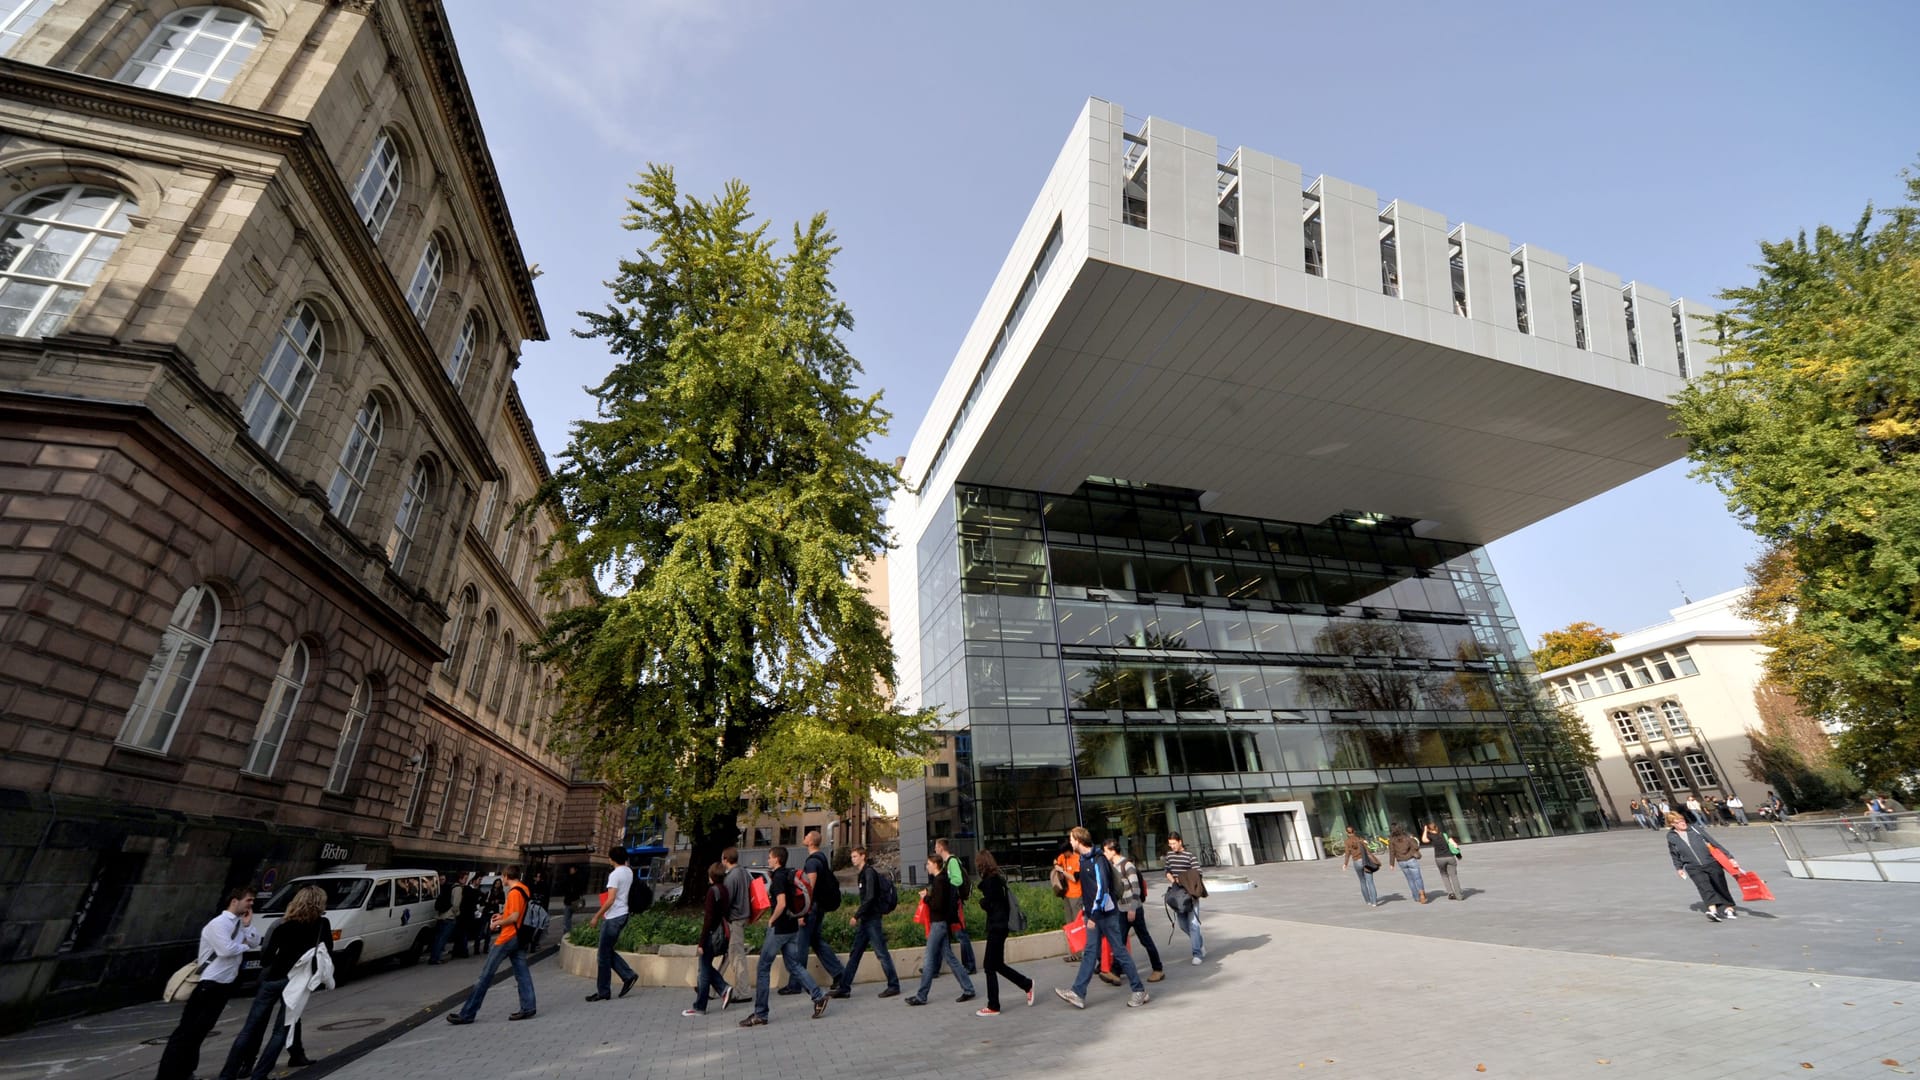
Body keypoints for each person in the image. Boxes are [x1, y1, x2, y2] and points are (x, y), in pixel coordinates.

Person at [226, 886, 332, 1080]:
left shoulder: (283, 925)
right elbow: (327, 951)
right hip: (296, 983)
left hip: (273, 979)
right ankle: (259, 1075)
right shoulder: (322, 924)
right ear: (319, 903)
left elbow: (265, 958)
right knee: (280, 1031)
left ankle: (228, 1074)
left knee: (249, 1029)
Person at [156, 886, 261, 1080]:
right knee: (187, 1031)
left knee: (200, 1032)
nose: (251, 904)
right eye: (249, 900)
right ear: (234, 901)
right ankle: (168, 1074)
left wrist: (247, 926)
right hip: (209, 983)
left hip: (224, 983)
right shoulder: (218, 924)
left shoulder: (239, 923)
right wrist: (244, 945)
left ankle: (186, 1071)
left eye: (252, 901)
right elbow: (226, 950)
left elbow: (255, 942)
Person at [1053, 827, 1147, 1010]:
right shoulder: (1084, 859)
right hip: (1094, 915)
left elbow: (1102, 890)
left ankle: (1139, 990)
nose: (1070, 842)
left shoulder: (1098, 860)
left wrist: (1093, 915)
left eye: (1072, 839)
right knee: (1089, 952)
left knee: (1119, 951)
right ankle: (1078, 993)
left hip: (1104, 915)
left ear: (1079, 840)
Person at [739, 846, 828, 1026]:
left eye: (770, 857)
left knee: (763, 967)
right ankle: (818, 996)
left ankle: (760, 1013)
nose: (769, 860)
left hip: (779, 928)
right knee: (794, 965)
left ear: (777, 859)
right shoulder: (788, 874)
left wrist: (771, 920)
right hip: (792, 927)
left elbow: (781, 903)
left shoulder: (779, 877)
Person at [445, 864, 537, 1024]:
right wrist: (501, 915)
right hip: (519, 937)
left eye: (503, 877)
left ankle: (467, 1013)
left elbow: (514, 916)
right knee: (522, 973)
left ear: (507, 876)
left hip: (508, 937)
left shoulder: (515, 893)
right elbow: (518, 913)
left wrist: (498, 922)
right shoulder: (524, 889)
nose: (502, 879)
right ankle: (528, 1006)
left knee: (485, 975)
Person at [905, 852, 975, 1006]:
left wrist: (925, 898)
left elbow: (937, 905)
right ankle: (968, 989)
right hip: (943, 923)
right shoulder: (943, 880)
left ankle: (921, 996)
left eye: (928, 864)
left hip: (938, 924)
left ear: (935, 865)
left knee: (929, 959)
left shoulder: (939, 881)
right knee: (950, 958)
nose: (926, 866)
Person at [781, 829, 845, 996]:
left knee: (801, 944)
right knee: (816, 941)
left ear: (811, 842)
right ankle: (839, 973)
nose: (804, 837)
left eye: (806, 836)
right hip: (820, 906)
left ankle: (795, 984)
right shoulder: (822, 858)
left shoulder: (812, 862)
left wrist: (802, 913)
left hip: (811, 908)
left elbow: (809, 888)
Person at [973, 850, 1033, 1016]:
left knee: (988, 966)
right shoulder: (998, 880)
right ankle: (1026, 984)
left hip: (996, 927)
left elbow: (991, 904)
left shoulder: (990, 883)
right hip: (1002, 926)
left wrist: (982, 902)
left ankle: (993, 1006)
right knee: (997, 964)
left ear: (981, 865)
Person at [836, 846, 900, 998]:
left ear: (863, 856)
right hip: (866, 920)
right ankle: (844, 988)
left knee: (881, 953)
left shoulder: (869, 873)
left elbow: (870, 897)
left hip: (872, 919)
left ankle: (894, 985)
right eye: (852, 857)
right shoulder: (863, 874)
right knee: (855, 953)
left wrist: (856, 916)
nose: (853, 859)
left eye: (855, 856)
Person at [1101, 838, 1163, 984]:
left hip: (1133, 909)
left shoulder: (1127, 865)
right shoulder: (1112, 866)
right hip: (1121, 909)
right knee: (1119, 941)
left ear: (1112, 850)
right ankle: (1115, 972)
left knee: (1145, 939)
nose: (1104, 854)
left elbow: (1136, 888)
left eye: (1105, 851)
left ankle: (1158, 969)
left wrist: (1133, 908)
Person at [584, 846, 639, 1001]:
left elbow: (611, 899)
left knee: (602, 955)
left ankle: (604, 991)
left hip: (614, 916)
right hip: (624, 913)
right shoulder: (628, 872)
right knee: (606, 951)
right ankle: (627, 976)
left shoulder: (615, 875)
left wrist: (596, 916)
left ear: (612, 859)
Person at [1666, 810, 1741, 923]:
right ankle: (1713, 911)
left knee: (1720, 886)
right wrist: (1679, 868)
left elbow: (1713, 842)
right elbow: (1674, 853)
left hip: (1711, 862)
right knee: (1705, 888)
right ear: (1672, 824)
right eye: (1678, 821)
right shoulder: (1671, 836)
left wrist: (1729, 857)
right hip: (1693, 867)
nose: (1682, 823)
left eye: (1682, 820)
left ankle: (1728, 908)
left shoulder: (1695, 829)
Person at [683, 862, 732, 1016]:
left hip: (711, 935)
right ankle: (723, 989)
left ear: (712, 876)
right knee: (705, 968)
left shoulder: (712, 891)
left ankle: (700, 1006)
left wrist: (701, 942)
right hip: (721, 934)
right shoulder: (724, 890)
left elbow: (708, 918)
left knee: (704, 970)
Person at [933, 837, 977, 975]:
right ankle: (934, 968)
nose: (935, 849)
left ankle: (970, 965)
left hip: (954, 905)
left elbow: (957, 880)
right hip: (950, 904)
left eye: (936, 846)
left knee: (960, 934)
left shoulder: (951, 862)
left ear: (941, 848)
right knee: (943, 936)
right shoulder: (948, 863)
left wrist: (946, 887)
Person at [1163, 832, 1205, 963]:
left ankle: (1197, 954)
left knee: (1193, 924)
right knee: (1182, 924)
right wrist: (1173, 881)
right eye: (1170, 844)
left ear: (1180, 841)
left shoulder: (1189, 856)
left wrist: (1183, 879)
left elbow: (1198, 872)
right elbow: (1167, 871)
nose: (1172, 847)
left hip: (1190, 894)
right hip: (1177, 895)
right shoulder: (1169, 856)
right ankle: (1199, 942)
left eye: (1174, 843)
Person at [720, 848, 754, 994]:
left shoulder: (731, 878)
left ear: (725, 859)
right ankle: (713, 986)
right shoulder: (744, 873)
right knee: (731, 953)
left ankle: (743, 991)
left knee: (736, 955)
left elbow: (726, 901)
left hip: (735, 919)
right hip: (744, 916)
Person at [1050, 843, 1083, 963]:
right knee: (1069, 924)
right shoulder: (1062, 857)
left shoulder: (1077, 859)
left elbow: (1075, 878)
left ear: (1070, 851)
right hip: (1066, 895)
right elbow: (1056, 861)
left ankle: (1079, 953)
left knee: (1076, 924)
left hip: (1076, 895)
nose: (1064, 855)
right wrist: (1056, 865)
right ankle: (1073, 953)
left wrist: (1062, 871)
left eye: (1066, 853)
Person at [1421, 821, 1464, 900]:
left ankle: (1450, 893)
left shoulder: (1430, 836)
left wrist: (1425, 830)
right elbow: (1455, 845)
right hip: (1450, 857)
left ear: (1429, 830)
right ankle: (1459, 895)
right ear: (1436, 827)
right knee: (1454, 876)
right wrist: (1458, 853)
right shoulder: (1444, 834)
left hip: (1439, 858)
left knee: (1444, 875)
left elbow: (1424, 840)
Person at [429, 871, 465, 964]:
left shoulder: (449, 886)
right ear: (460, 879)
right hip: (449, 916)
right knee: (443, 938)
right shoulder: (457, 888)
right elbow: (456, 904)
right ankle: (436, 958)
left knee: (438, 938)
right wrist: (456, 914)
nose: (465, 881)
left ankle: (433, 956)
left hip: (441, 915)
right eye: (465, 878)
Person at [1387, 823, 1427, 904]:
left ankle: (1416, 897)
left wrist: (1392, 864)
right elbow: (1416, 847)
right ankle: (1422, 894)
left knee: (1410, 880)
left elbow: (1392, 852)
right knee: (1418, 878)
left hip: (1401, 861)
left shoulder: (1391, 840)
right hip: (1411, 859)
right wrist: (1412, 839)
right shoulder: (1407, 837)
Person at [1340, 825, 1379, 908]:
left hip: (1356, 862)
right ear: (1354, 831)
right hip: (1365, 861)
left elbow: (1347, 854)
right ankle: (1374, 902)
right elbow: (1368, 851)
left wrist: (1345, 864)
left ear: (1347, 832)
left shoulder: (1347, 842)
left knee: (1362, 881)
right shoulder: (1360, 839)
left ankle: (1368, 901)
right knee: (1370, 882)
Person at [561, 864, 584, 932]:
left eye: (572, 869)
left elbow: (577, 890)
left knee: (567, 919)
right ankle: (567, 932)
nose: (571, 870)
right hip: (571, 901)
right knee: (568, 918)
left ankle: (567, 933)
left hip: (571, 901)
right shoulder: (572, 878)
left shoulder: (574, 879)